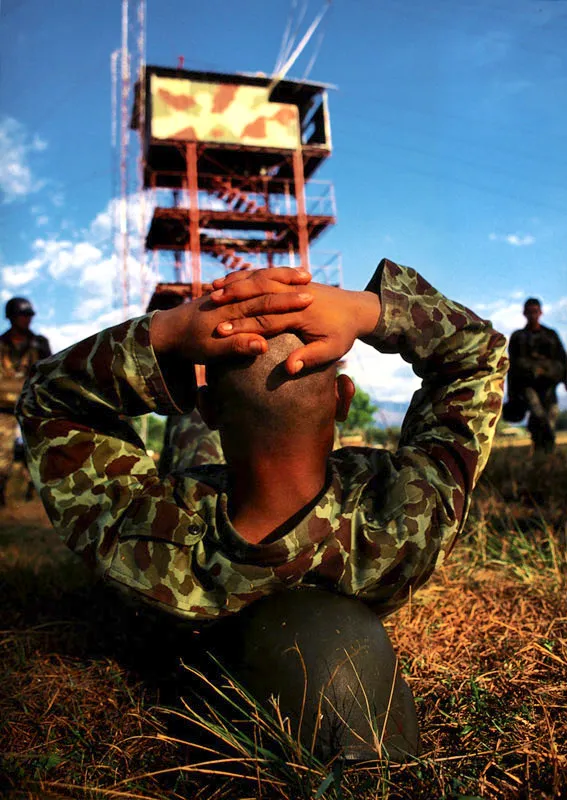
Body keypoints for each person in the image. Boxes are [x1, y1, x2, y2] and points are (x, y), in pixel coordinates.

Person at [17, 260, 507, 759]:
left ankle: (198, 428)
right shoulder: (402, 525)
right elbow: (479, 353)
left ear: (207, 412)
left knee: (188, 446)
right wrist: (368, 311)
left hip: (210, 476)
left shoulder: (151, 547)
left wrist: (168, 330)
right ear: (342, 399)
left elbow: (47, 400)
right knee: (195, 450)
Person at [0, 297, 51, 506]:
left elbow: (48, 372)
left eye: (29, 315)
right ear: (11, 317)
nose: (26, 320)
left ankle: (33, 494)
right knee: (2, 456)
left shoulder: (39, 344)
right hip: (2, 409)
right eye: (22, 315)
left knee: (39, 452)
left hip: (31, 406)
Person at [506, 297, 567, 455]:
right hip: (528, 387)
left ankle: (546, 456)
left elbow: (562, 360)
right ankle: (543, 453)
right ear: (524, 313)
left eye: (535, 311)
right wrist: (512, 396)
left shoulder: (551, 335)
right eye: (530, 312)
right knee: (539, 417)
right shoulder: (518, 337)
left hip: (549, 387)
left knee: (549, 418)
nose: (533, 315)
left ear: (540, 312)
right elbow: (512, 367)